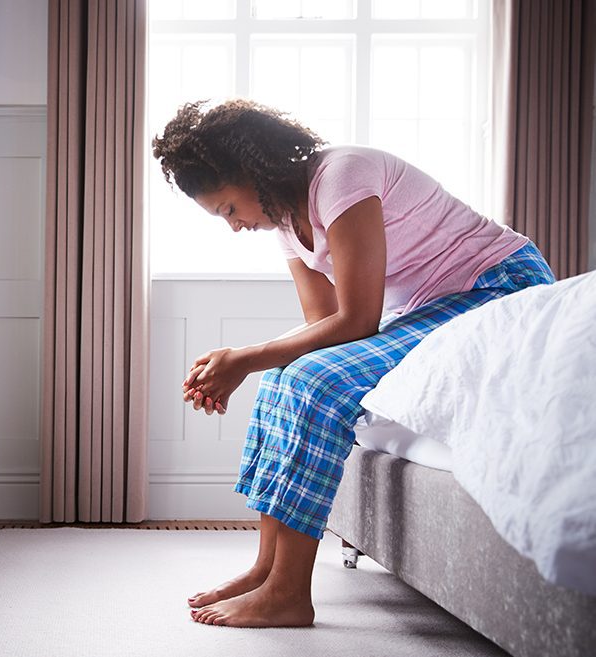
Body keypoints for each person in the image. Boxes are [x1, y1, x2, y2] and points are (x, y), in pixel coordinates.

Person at [151, 99, 555, 628]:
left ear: (252, 173)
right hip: (435, 307)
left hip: (498, 287)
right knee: (283, 379)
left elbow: (358, 320)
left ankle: (290, 595)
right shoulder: (285, 224)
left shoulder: (342, 175)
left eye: (229, 209)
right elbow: (324, 323)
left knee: (313, 385)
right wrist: (244, 364)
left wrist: (243, 358)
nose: (234, 226)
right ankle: (267, 570)